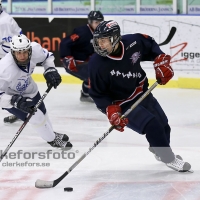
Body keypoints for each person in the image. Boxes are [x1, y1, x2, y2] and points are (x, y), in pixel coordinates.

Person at [88, 20, 192, 172]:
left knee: (163, 124)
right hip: (123, 103)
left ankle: (158, 150)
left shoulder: (133, 42)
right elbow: (97, 93)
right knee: (153, 125)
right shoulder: (96, 64)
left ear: (116, 38)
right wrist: (110, 110)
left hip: (142, 92)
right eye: (98, 41)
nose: (100, 45)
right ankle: (169, 159)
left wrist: (160, 60)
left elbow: (149, 43)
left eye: (104, 40)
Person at [0, 34, 72, 150]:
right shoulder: (4, 69)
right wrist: (13, 101)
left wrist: (50, 69)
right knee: (36, 117)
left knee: (43, 112)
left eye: (25, 51)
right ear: (13, 52)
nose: (22, 56)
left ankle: (50, 133)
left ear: (29, 49)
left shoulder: (35, 50)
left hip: (29, 88)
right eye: (18, 53)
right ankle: (52, 139)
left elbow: (47, 57)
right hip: (11, 97)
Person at [60, 10, 104, 103]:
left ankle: (86, 94)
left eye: (100, 22)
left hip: (85, 61)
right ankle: (91, 94)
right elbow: (64, 43)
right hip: (74, 63)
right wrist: (66, 58)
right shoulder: (82, 32)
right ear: (90, 22)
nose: (99, 24)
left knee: (96, 72)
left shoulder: (101, 33)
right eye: (96, 22)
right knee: (93, 74)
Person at [0, 0, 23, 123]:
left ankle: (21, 112)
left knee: (5, 94)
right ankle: (20, 111)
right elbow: (20, 34)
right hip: (13, 59)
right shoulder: (6, 17)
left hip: (9, 61)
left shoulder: (3, 21)